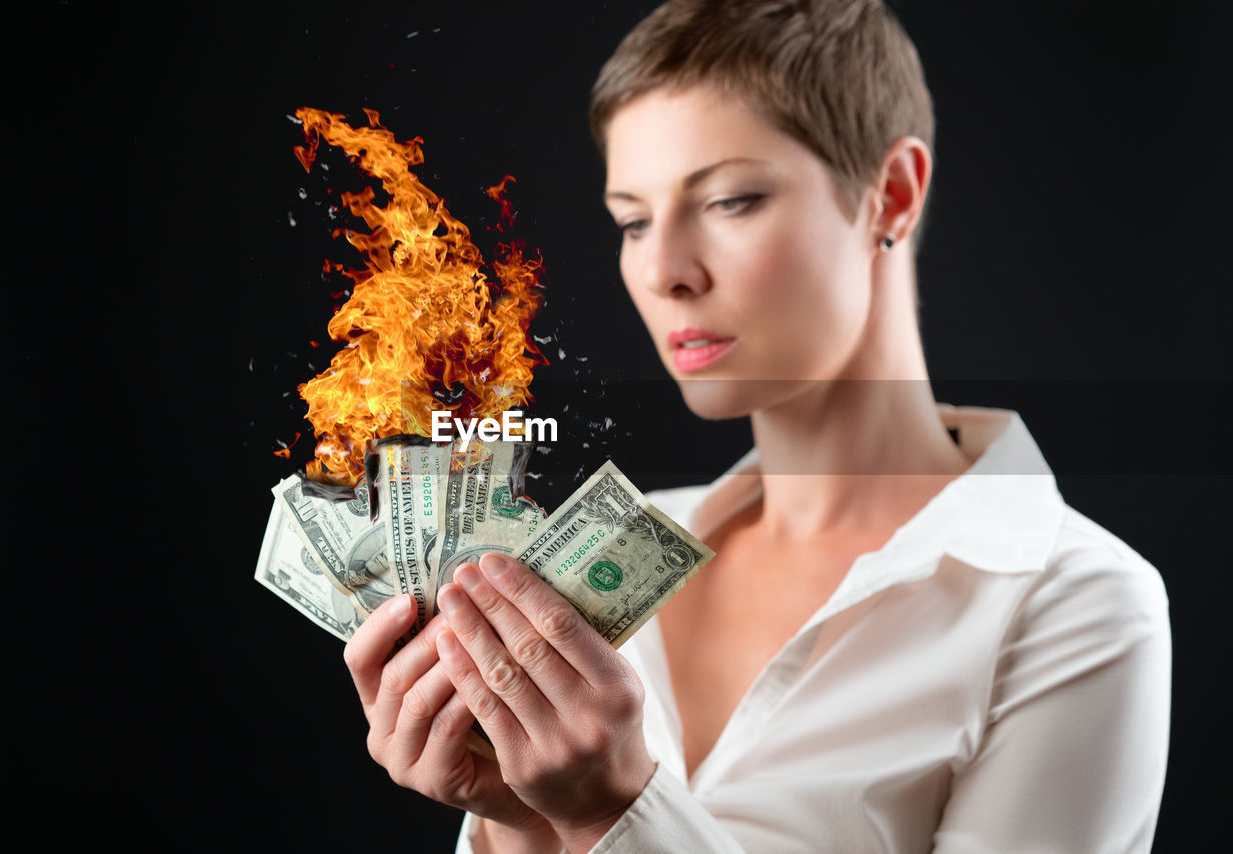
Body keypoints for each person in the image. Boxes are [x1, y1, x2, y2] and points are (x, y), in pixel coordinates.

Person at [341, 1, 1172, 851]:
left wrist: (610, 812)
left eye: (732, 201)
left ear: (891, 195)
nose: (664, 271)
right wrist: (529, 819)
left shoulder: (1076, 604)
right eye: (632, 221)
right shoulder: (620, 551)